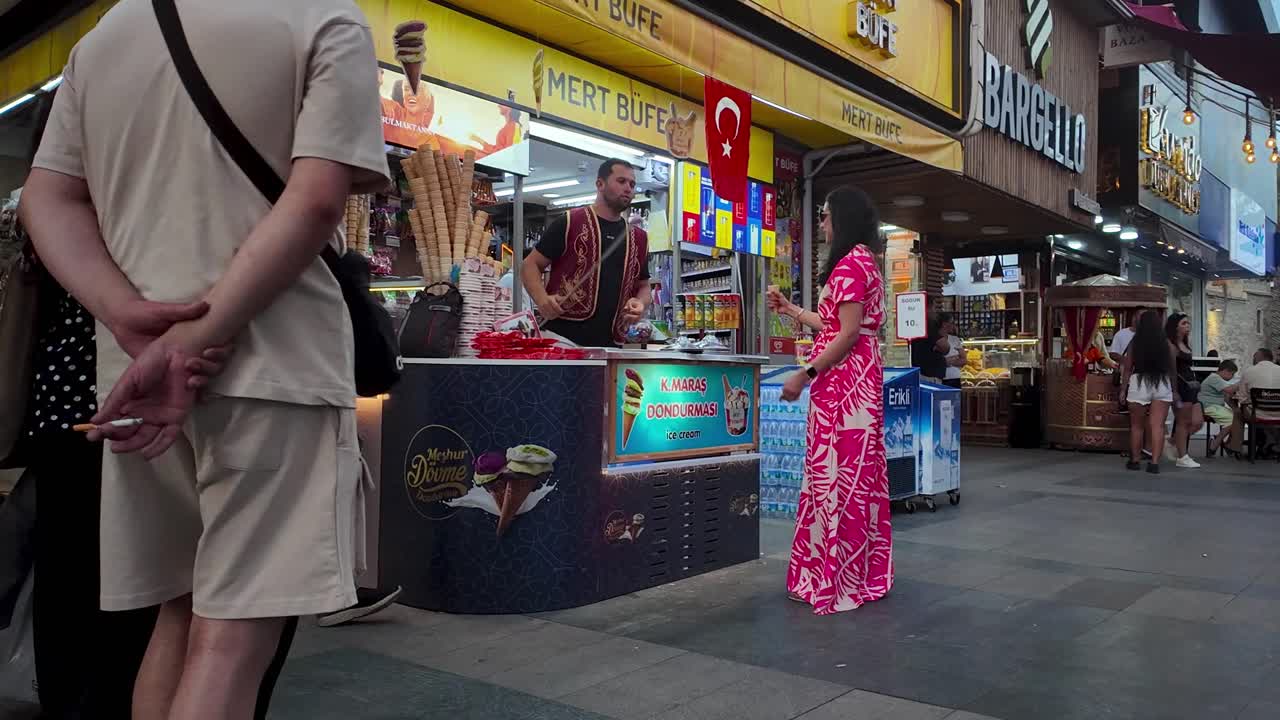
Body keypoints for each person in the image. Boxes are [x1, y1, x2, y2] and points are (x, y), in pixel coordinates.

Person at [19, 2, 391, 718]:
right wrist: (194, 338)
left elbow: (48, 196)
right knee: (230, 641)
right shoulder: (322, 17)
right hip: (274, 366)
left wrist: (129, 317)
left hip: (135, 382)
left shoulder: (105, 38)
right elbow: (317, 200)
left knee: (178, 613)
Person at [766, 186, 890, 614]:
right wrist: (791, 310)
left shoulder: (852, 263)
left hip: (846, 383)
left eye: (824, 215)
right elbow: (837, 323)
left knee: (839, 478)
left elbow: (848, 333)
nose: (820, 223)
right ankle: (851, 572)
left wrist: (805, 373)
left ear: (842, 217)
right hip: (852, 380)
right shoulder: (860, 261)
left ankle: (836, 578)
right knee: (849, 477)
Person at [522, 158, 651, 347]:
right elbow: (530, 265)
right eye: (621, 181)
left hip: (612, 342)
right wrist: (542, 300)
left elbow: (644, 286)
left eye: (632, 184)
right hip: (562, 340)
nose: (628, 188)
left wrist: (640, 303)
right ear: (600, 184)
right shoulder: (569, 222)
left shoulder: (639, 237)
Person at [1123, 311, 1173, 473]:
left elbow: (1127, 368)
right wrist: (1175, 390)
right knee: (1157, 426)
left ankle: (1135, 460)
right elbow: (1172, 369)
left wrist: (1123, 389)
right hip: (1161, 383)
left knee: (1137, 426)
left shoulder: (1135, 342)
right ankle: (1154, 463)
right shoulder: (1166, 343)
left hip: (1139, 383)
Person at [1165, 313, 1204, 469]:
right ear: (1175, 326)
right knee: (1183, 422)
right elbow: (1172, 370)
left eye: (1188, 323)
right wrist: (1174, 391)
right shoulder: (1170, 344)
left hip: (1191, 386)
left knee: (1197, 422)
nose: (1187, 326)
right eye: (1184, 323)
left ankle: (1172, 442)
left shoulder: (1185, 344)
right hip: (1180, 386)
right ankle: (1182, 456)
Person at [1229, 348, 1280, 456]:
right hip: (1278, 414)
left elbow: (1242, 398)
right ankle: (1270, 445)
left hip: (1257, 415)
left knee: (1238, 412)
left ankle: (1235, 448)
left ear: (1259, 357)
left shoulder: (1249, 371)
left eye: (1254, 356)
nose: (1253, 358)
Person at [1201, 359, 1238, 455]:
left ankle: (1227, 443)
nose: (1232, 377)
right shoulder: (1214, 378)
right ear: (1225, 370)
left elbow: (1226, 397)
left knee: (1238, 418)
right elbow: (1229, 390)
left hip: (1215, 406)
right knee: (1233, 419)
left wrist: (1235, 409)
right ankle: (1215, 443)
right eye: (1232, 374)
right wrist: (1242, 382)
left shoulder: (1219, 380)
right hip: (1209, 406)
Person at [911, 312, 951, 384]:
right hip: (929, 376)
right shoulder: (929, 325)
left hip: (928, 373)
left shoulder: (922, 325)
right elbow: (945, 347)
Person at [943, 318, 964, 389]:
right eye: (951, 323)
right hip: (940, 378)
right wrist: (945, 361)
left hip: (955, 378)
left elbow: (964, 359)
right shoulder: (934, 339)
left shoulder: (955, 339)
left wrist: (949, 362)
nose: (953, 326)